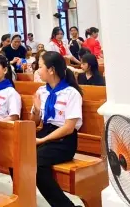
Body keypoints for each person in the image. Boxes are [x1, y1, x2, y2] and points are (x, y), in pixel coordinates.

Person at [29, 51, 83, 207]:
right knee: (18, 157)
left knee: (37, 164)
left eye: (40, 67)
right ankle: (26, 200)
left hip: (64, 140)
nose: (37, 71)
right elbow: (34, 122)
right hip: (45, 132)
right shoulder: (41, 91)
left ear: (51, 70)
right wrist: (37, 111)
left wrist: (42, 140)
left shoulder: (71, 93)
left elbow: (68, 128)